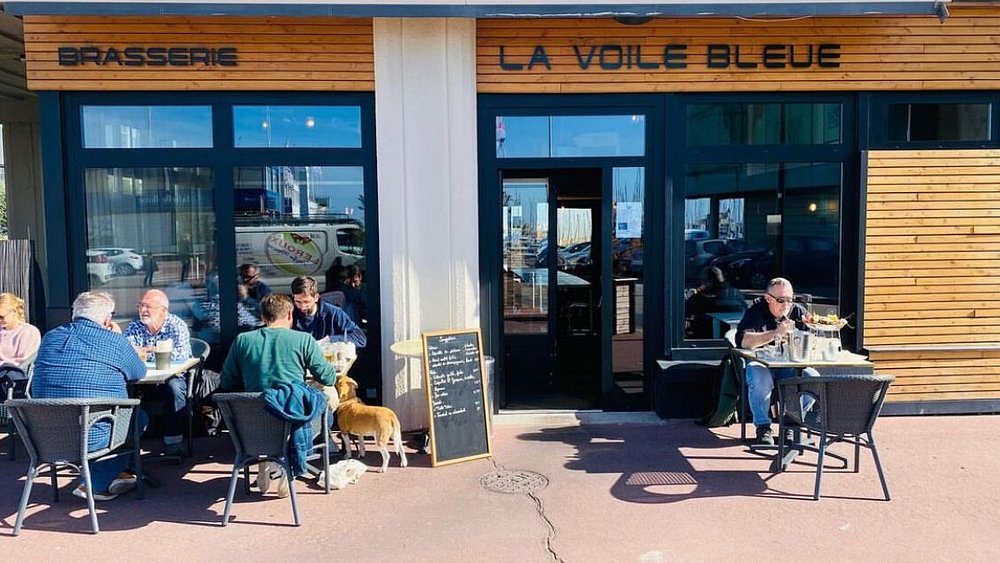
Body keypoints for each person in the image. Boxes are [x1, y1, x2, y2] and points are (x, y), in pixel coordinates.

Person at [217, 293, 338, 497]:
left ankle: (265, 462)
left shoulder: (242, 341)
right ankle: (288, 464)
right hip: (293, 420)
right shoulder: (303, 340)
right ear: (290, 315)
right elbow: (328, 377)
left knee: (268, 407)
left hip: (254, 426)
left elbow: (226, 382)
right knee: (327, 408)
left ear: (263, 318)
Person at [31, 291, 148, 501]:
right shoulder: (114, 341)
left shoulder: (50, 337)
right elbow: (138, 372)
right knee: (138, 418)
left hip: (47, 436)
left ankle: (112, 473)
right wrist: (118, 338)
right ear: (106, 318)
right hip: (92, 435)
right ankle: (95, 483)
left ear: (74, 314)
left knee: (100, 417)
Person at [735, 277, 814, 446]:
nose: (786, 304)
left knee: (813, 378)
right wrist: (775, 333)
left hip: (789, 365)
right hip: (762, 364)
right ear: (768, 298)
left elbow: (813, 336)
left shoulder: (798, 312)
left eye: (790, 299)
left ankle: (790, 422)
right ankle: (763, 427)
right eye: (781, 300)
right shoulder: (756, 311)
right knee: (759, 378)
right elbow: (742, 341)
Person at [123, 289, 192, 456]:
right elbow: (126, 352)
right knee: (120, 387)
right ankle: (126, 444)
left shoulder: (176, 325)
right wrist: (158, 350)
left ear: (163, 310)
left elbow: (180, 356)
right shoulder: (135, 326)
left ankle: (174, 445)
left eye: (148, 306)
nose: (143, 310)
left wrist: (146, 350)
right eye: (141, 305)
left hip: (171, 377)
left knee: (175, 389)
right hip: (141, 379)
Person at [290, 276, 366, 347]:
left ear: (316, 297)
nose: (302, 307)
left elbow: (360, 338)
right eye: (298, 302)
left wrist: (329, 340)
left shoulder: (334, 313)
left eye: (306, 302)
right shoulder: (289, 314)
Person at [0, 293, 42, 400]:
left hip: (11, 378)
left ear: (13, 312)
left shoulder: (28, 332)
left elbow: (22, 362)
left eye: (1, 317)